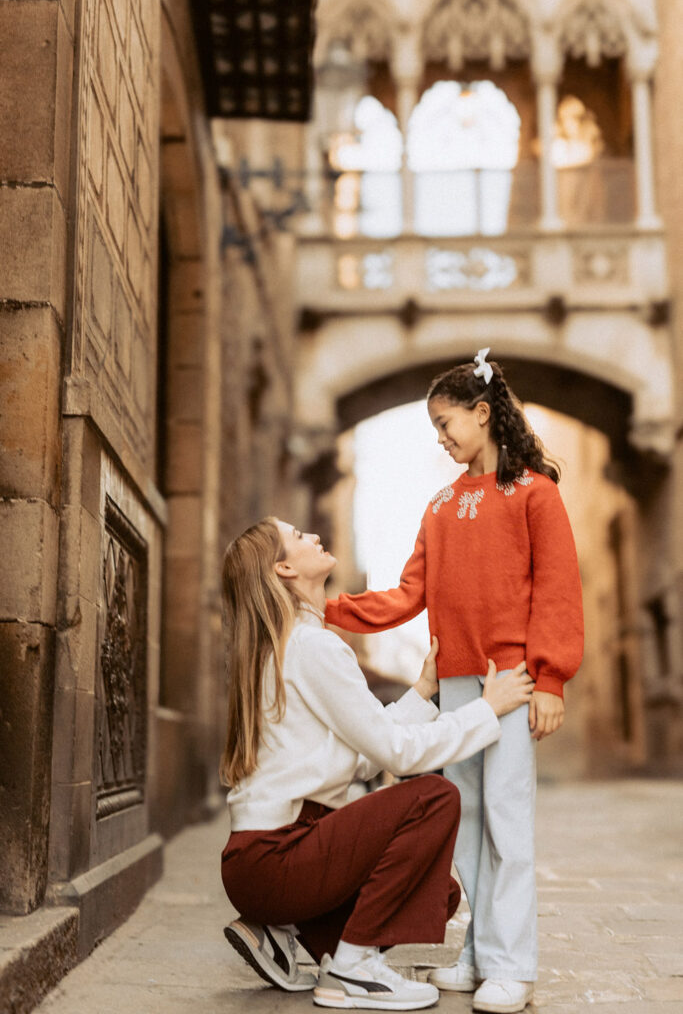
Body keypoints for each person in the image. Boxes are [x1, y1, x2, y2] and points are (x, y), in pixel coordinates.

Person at [325, 348, 584, 1014]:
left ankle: (512, 964)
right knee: (465, 818)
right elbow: (408, 592)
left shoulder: (535, 494)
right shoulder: (440, 505)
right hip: (456, 689)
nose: (440, 439)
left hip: (513, 683)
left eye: (446, 424)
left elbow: (556, 590)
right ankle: (474, 951)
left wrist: (550, 678)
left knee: (506, 820)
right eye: (433, 429)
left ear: (481, 412)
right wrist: (325, 609)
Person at [219, 515, 535, 1011]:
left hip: (260, 867)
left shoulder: (285, 647)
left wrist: (423, 691)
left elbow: (362, 758)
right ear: (282, 568)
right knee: (434, 798)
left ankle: (282, 929)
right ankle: (353, 968)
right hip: (278, 857)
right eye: (299, 536)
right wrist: (486, 710)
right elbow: (397, 754)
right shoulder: (313, 647)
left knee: (436, 896)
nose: (314, 535)